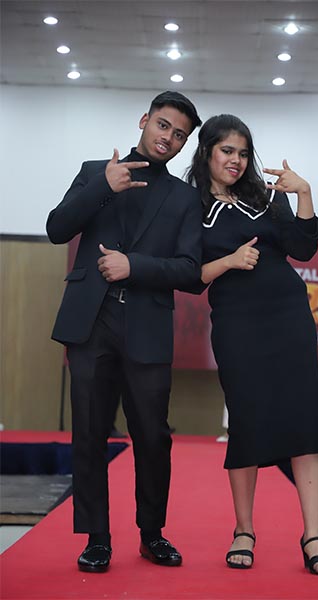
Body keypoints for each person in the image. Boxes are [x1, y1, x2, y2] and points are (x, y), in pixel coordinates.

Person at [47, 91, 202, 572]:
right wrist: (103, 188)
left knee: (153, 436)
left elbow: (191, 271)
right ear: (144, 120)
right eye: (163, 125)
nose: (168, 138)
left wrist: (133, 265)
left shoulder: (184, 197)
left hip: (147, 327)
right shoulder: (96, 172)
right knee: (90, 434)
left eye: (180, 135)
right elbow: (56, 228)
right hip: (90, 323)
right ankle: (97, 538)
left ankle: (152, 533)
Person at [187, 114, 318, 575]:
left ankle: (313, 535)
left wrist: (303, 193)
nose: (236, 160)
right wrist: (228, 261)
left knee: (305, 418)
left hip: (289, 317)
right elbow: (188, 276)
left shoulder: (268, 196)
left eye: (243, 152)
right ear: (207, 152)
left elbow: (303, 249)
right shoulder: (189, 206)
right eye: (227, 151)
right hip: (238, 324)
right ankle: (244, 530)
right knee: (246, 420)